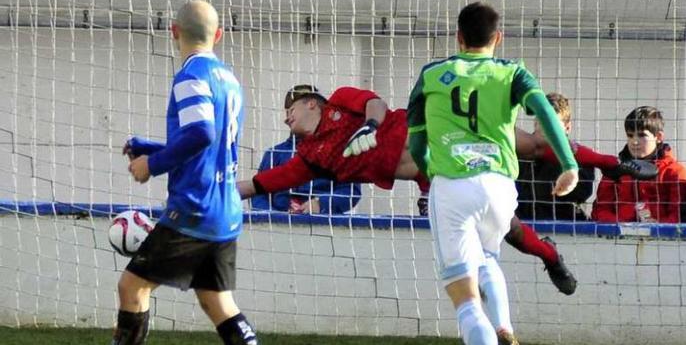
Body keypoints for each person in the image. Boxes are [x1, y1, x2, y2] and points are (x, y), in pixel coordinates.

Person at [236, 85, 655, 297]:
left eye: (290, 108)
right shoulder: (312, 157)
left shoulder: (341, 101)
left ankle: (616, 164)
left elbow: (376, 105)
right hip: (438, 174)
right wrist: (215, 191)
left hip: (440, 132)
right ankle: (551, 256)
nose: (285, 116)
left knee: (535, 144)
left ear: (312, 104)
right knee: (505, 228)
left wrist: (369, 126)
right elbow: (260, 183)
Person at [407, 1, 579, 345]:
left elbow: (416, 145)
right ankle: (505, 329)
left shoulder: (430, 75)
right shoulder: (512, 72)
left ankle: (493, 332)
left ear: (458, 37)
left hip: (452, 186)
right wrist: (569, 164)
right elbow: (545, 110)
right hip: (500, 188)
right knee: (486, 257)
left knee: (467, 303)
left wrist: (431, 173)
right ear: (497, 38)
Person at [116, 0, 258, 345]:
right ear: (219, 35)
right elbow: (211, 144)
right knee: (216, 302)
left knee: (132, 286)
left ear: (174, 32)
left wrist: (152, 164)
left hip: (194, 208)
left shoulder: (191, 75)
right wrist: (152, 148)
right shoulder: (229, 80)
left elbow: (201, 134)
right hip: (225, 210)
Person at [251, 85, 361, 214]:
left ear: (312, 105)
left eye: (293, 110)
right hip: (278, 226)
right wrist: (274, 217)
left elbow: (351, 192)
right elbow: (257, 194)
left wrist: (321, 203)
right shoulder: (275, 154)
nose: (289, 117)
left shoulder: (339, 150)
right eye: (288, 111)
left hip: (326, 223)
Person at [591, 106, 686, 223]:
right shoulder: (615, 169)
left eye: (642, 135)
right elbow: (600, 211)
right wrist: (624, 226)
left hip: (662, 239)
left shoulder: (675, 171)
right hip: (618, 237)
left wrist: (655, 228)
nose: (635, 142)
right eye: (630, 135)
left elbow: (678, 215)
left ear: (658, 137)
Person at [515, 92, 597, 221]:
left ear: (567, 127)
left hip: (567, 226)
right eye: (540, 121)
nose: (544, 128)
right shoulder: (521, 155)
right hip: (526, 225)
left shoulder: (579, 156)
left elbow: (580, 193)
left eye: (551, 123)